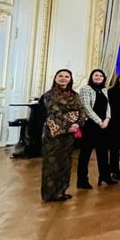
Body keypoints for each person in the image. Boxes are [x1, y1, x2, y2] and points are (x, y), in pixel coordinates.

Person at [40, 69, 85, 202]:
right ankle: (49, 194)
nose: (63, 78)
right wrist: (69, 125)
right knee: (51, 163)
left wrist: (78, 124)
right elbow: (54, 113)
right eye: (60, 76)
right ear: (55, 78)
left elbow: (81, 111)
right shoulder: (49, 95)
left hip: (70, 134)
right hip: (54, 133)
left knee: (65, 162)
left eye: (66, 76)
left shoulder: (74, 94)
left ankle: (61, 191)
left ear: (70, 79)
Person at [77, 69, 114, 189]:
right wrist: (99, 121)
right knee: (85, 154)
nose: (98, 77)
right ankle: (82, 180)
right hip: (91, 125)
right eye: (96, 75)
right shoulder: (85, 89)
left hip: (104, 124)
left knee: (103, 152)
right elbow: (86, 107)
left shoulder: (105, 90)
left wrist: (107, 119)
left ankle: (105, 176)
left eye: (101, 75)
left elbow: (109, 106)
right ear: (91, 76)